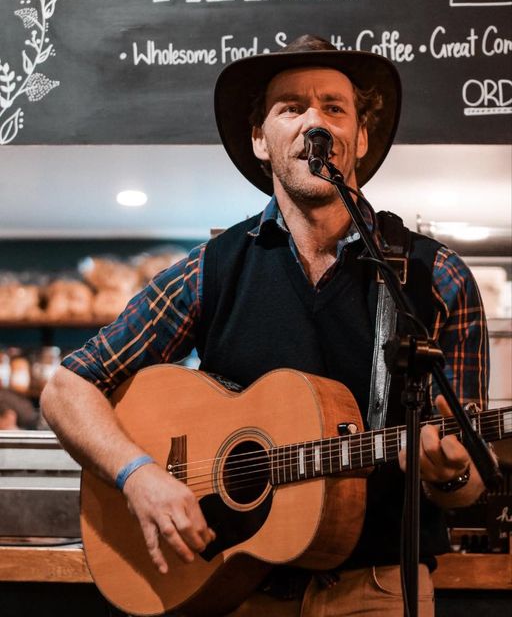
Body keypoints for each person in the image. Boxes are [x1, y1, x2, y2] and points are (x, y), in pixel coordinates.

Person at [41, 35, 490, 616]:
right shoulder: (211, 270)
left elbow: (469, 478)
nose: (314, 121)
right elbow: (66, 387)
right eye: (290, 107)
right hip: (235, 588)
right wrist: (139, 475)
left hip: (377, 590)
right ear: (260, 139)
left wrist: (450, 472)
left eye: (334, 107)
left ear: (360, 137)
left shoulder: (435, 276)